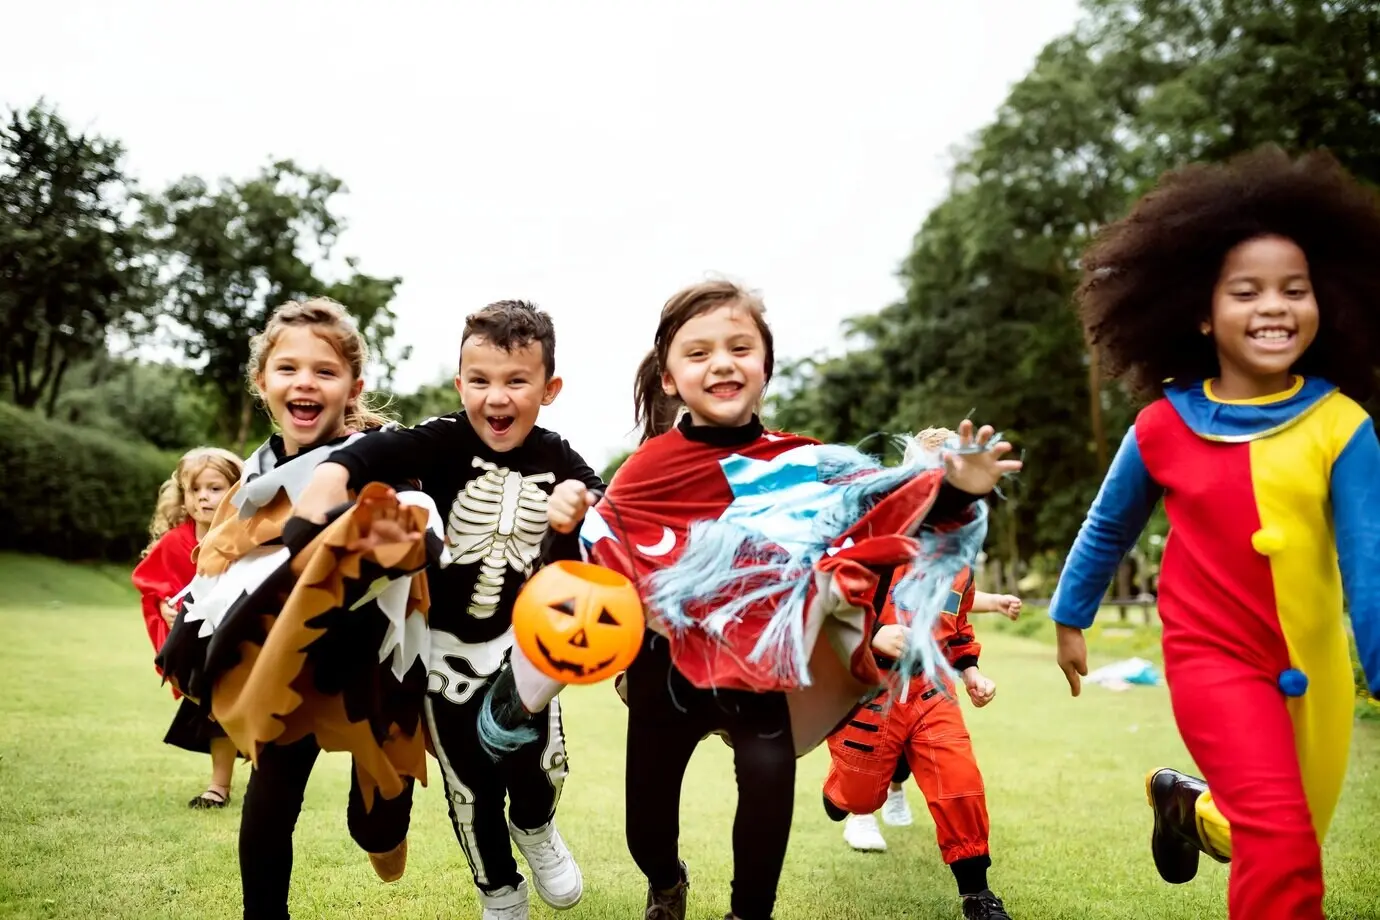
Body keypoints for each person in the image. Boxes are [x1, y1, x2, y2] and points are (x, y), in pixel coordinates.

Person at [574, 279, 1020, 920]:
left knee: (767, 781)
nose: (721, 363)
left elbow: (891, 514)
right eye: (697, 353)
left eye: (739, 347)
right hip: (663, 673)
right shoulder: (645, 469)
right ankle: (667, 881)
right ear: (669, 378)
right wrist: (568, 536)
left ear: (765, 366)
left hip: (761, 670)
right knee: (645, 829)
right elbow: (599, 560)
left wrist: (956, 490)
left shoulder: (809, 464)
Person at [1048, 146, 1380, 920]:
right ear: (1202, 311)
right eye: (1247, 291)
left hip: (1316, 664)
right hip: (1212, 659)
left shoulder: (1344, 427)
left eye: (1294, 290)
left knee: (1280, 830)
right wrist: (1069, 616)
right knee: (1284, 845)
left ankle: (1186, 809)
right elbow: (1108, 527)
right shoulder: (1162, 425)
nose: (1275, 306)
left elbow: (1369, 561)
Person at [293, 300, 599, 920]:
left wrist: (579, 500)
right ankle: (499, 891)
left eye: (517, 381)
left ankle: (537, 828)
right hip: (444, 656)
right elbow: (371, 453)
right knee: (471, 787)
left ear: (550, 387)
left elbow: (598, 496)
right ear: (460, 384)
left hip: (524, 649)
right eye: (480, 381)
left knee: (539, 766)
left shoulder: (556, 453)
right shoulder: (439, 443)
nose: (496, 397)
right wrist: (332, 474)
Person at [156, 297, 436, 920]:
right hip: (290, 670)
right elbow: (218, 571)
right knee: (270, 800)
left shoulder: (380, 462)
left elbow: (421, 538)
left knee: (379, 829)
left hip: (373, 673)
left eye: (325, 370)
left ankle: (385, 834)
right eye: (287, 369)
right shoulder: (248, 486)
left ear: (352, 387)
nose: (304, 382)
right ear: (263, 383)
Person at [132, 445, 244, 808]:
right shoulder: (175, 542)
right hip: (194, 648)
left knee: (226, 702)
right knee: (213, 703)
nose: (204, 498)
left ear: (235, 490)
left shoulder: (247, 537)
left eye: (215, 488)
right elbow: (153, 585)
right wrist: (164, 607)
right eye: (195, 490)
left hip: (237, 643)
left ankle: (220, 787)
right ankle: (230, 767)